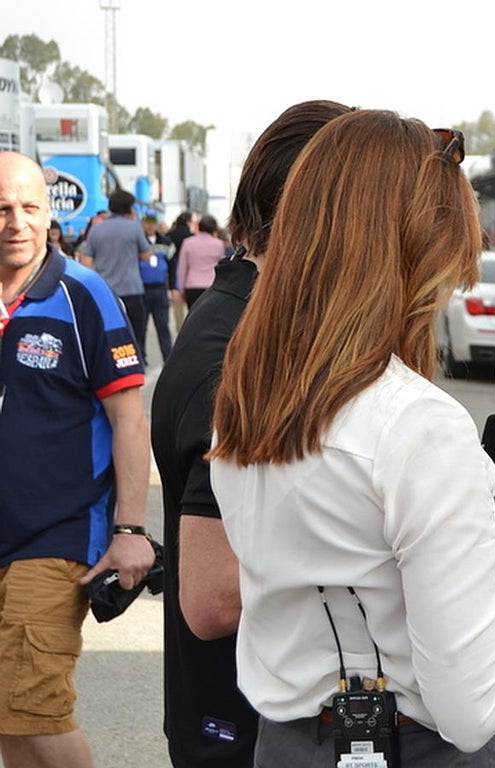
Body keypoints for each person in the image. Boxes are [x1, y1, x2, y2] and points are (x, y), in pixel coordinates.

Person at [208, 111, 495, 766]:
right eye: (451, 265)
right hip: (416, 749)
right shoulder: (418, 425)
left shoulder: (245, 398)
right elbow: (471, 707)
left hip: (285, 745)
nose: (450, 289)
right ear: (418, 254)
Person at [152, 99, 352, 768]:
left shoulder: (251, 326)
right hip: (246, 731)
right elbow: (212, 597)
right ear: (317, 217)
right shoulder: (238, 356)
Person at [0, 151, 154, 768]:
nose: (16, 221)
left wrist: (130, 530)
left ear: (50, 214)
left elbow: (129, 420)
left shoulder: (82, 295)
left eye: (29, 207)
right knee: (8, 718)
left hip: (56, 536)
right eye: (2, 209)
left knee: (36, 712)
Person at [77, 190, 151, 350]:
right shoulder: (134, 228)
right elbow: (146, 255)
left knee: (108, 336)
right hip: (132, 289)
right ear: (130, 208)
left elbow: (86, 260)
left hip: (106, 291)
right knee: (135, 336)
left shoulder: (96, 229)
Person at [139, 214, 173, 364]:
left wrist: (173, 287)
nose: (150, 226)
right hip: (142, 289)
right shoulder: (138, 242)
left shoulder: (166, 242)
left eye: (153, 223)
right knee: (141, 326)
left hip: (160, 289)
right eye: (147, 223)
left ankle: (168, 357)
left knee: (163, 325)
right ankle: (141, 357)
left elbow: (173, 266)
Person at [175, 213, 225, 309]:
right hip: (212, 285)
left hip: (192, 286)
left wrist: (181, 289)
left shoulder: (188, 243)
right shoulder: (219, 244)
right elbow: (221, 266)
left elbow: (182, 267)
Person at [167, 211, 195, 331]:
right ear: (188, 222)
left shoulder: (169, 235)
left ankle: (180, 330)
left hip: (173, 273)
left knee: (177, 308)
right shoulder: (191, 237)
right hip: (190, 275)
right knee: (193, 309)